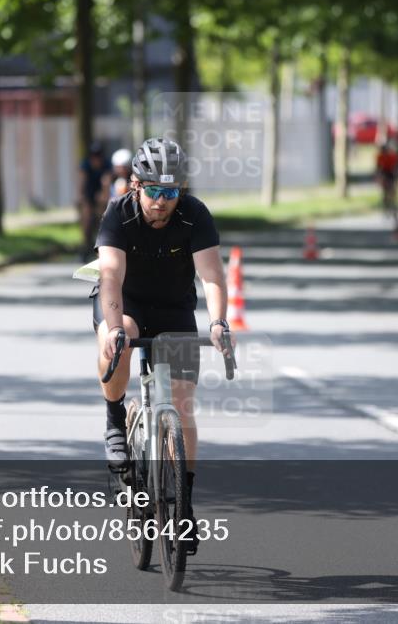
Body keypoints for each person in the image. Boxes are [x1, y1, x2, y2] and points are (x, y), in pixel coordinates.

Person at [91, 137, 231, 552]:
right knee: (120, 340)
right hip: (125, 304)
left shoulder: (194, 214)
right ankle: (115, 419)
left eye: (170, 192)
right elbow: (110, 276)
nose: (161, 201)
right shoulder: (118, 213)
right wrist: (113, 329)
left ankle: (183, 505)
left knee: (183, 406)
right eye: (153, 190)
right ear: (136, 185)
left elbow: (211, 276)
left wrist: (218, 322)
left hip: (173, 309)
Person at [78, 143, 111, 261]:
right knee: (86, 220)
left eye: (98, 157)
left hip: (100, 192)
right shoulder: (85, 164)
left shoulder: (106, 164)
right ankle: (85, 246)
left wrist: (104, 196)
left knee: (102, 219)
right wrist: (81, 197)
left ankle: (102, 245)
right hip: (89, 193)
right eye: (94, 157)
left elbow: (106, 182)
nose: (96, 160)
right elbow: (82, 181)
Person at [375, 140, 398, 241]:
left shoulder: (392, 156)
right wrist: (379, 177)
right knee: (385, 192)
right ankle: (386, 204)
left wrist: (395, 178)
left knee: (391, 193)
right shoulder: (380, 156)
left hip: (391, 175)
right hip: (385, 174)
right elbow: (378, 168)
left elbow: (395, 168)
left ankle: (391, 205)